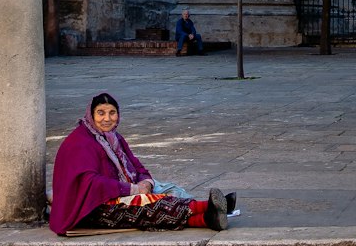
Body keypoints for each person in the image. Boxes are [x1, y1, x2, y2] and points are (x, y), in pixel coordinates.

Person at [50, 92, 234, 235]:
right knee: (152, 206)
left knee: (169, 191)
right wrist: (133, 190)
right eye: (100, 113)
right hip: (91, 207)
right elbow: (90, 183)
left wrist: (146, 182)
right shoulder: (80, 142)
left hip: (120, 194)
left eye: (112, 113)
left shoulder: (114, 138)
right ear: (91, 115)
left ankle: (209, 218)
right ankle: (210, 207)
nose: (107, 119)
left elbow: (137, 166)